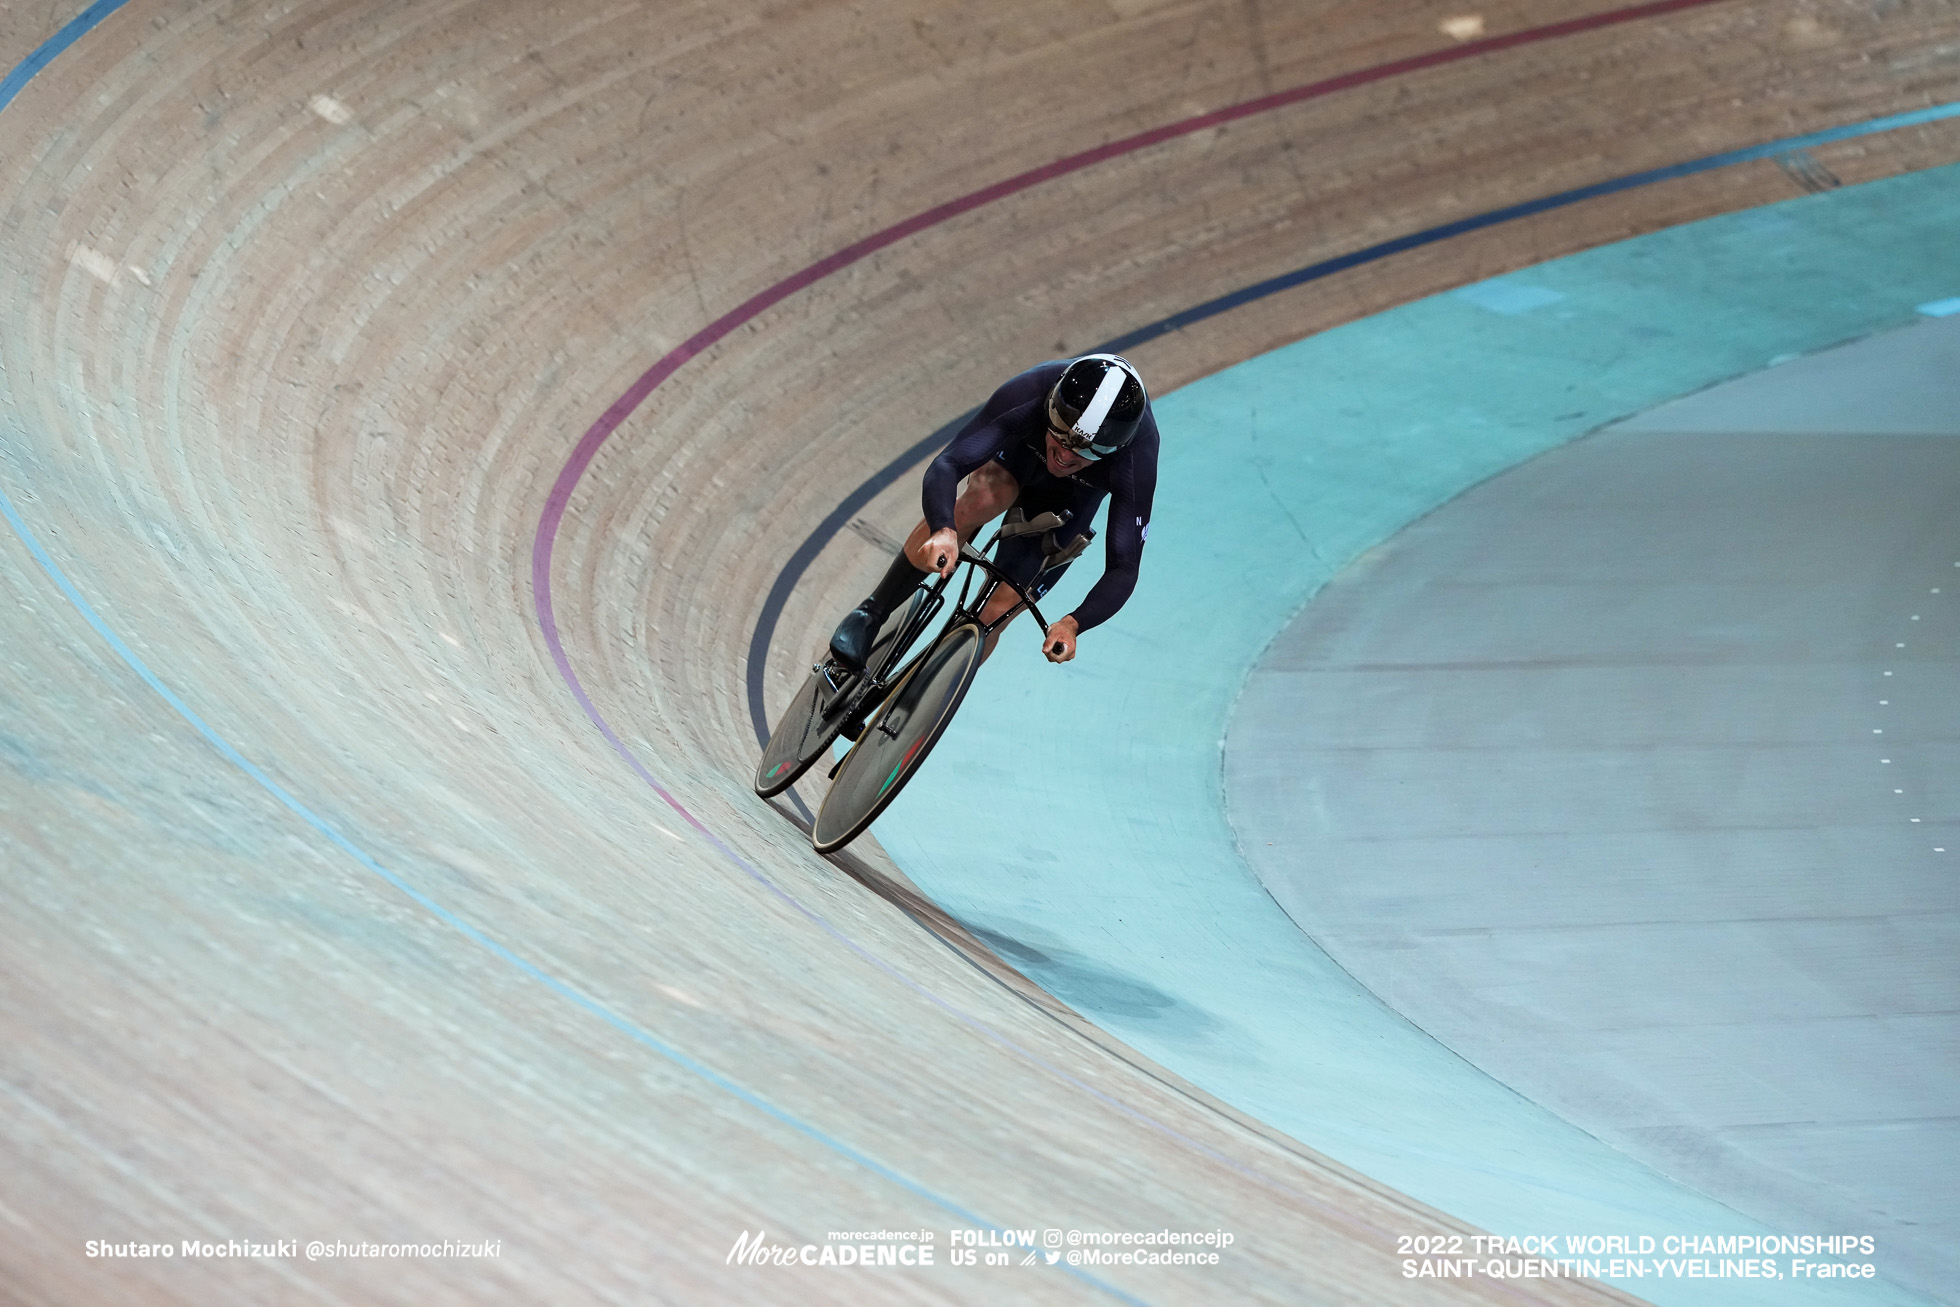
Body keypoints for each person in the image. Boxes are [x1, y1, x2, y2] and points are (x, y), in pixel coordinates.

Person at [829, 353, 1158, 668]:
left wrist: (1073, 624)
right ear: (1051, 406)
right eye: (1059, 432)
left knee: (1002, 607)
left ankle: (919, 704)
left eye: (1090, 450)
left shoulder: (1137, 456)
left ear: (1118, 448)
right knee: (982, 500)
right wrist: (944, 530)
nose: (1066, 456)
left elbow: (1124, 567)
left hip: (1072, 500)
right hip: (1016, 460)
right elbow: (949, 463)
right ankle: (871, 612)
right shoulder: (1032, 389)